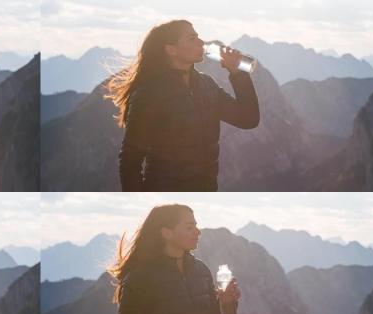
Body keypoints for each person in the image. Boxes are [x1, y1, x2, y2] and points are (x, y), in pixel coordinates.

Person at [106, 20, 260, 192]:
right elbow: (130, 161)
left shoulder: (207, 85)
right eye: (192, 38)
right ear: (171, 49)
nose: (201, 42)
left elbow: (248, 119)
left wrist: (237, 73)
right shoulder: (149, 94)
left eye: (198, 37)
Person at [109, 204, 241, 314]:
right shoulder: (141, 278)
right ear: (166, 233)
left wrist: (226, 303)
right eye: (189, 227)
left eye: (196, 225)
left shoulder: (201, 271)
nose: (197, 232)